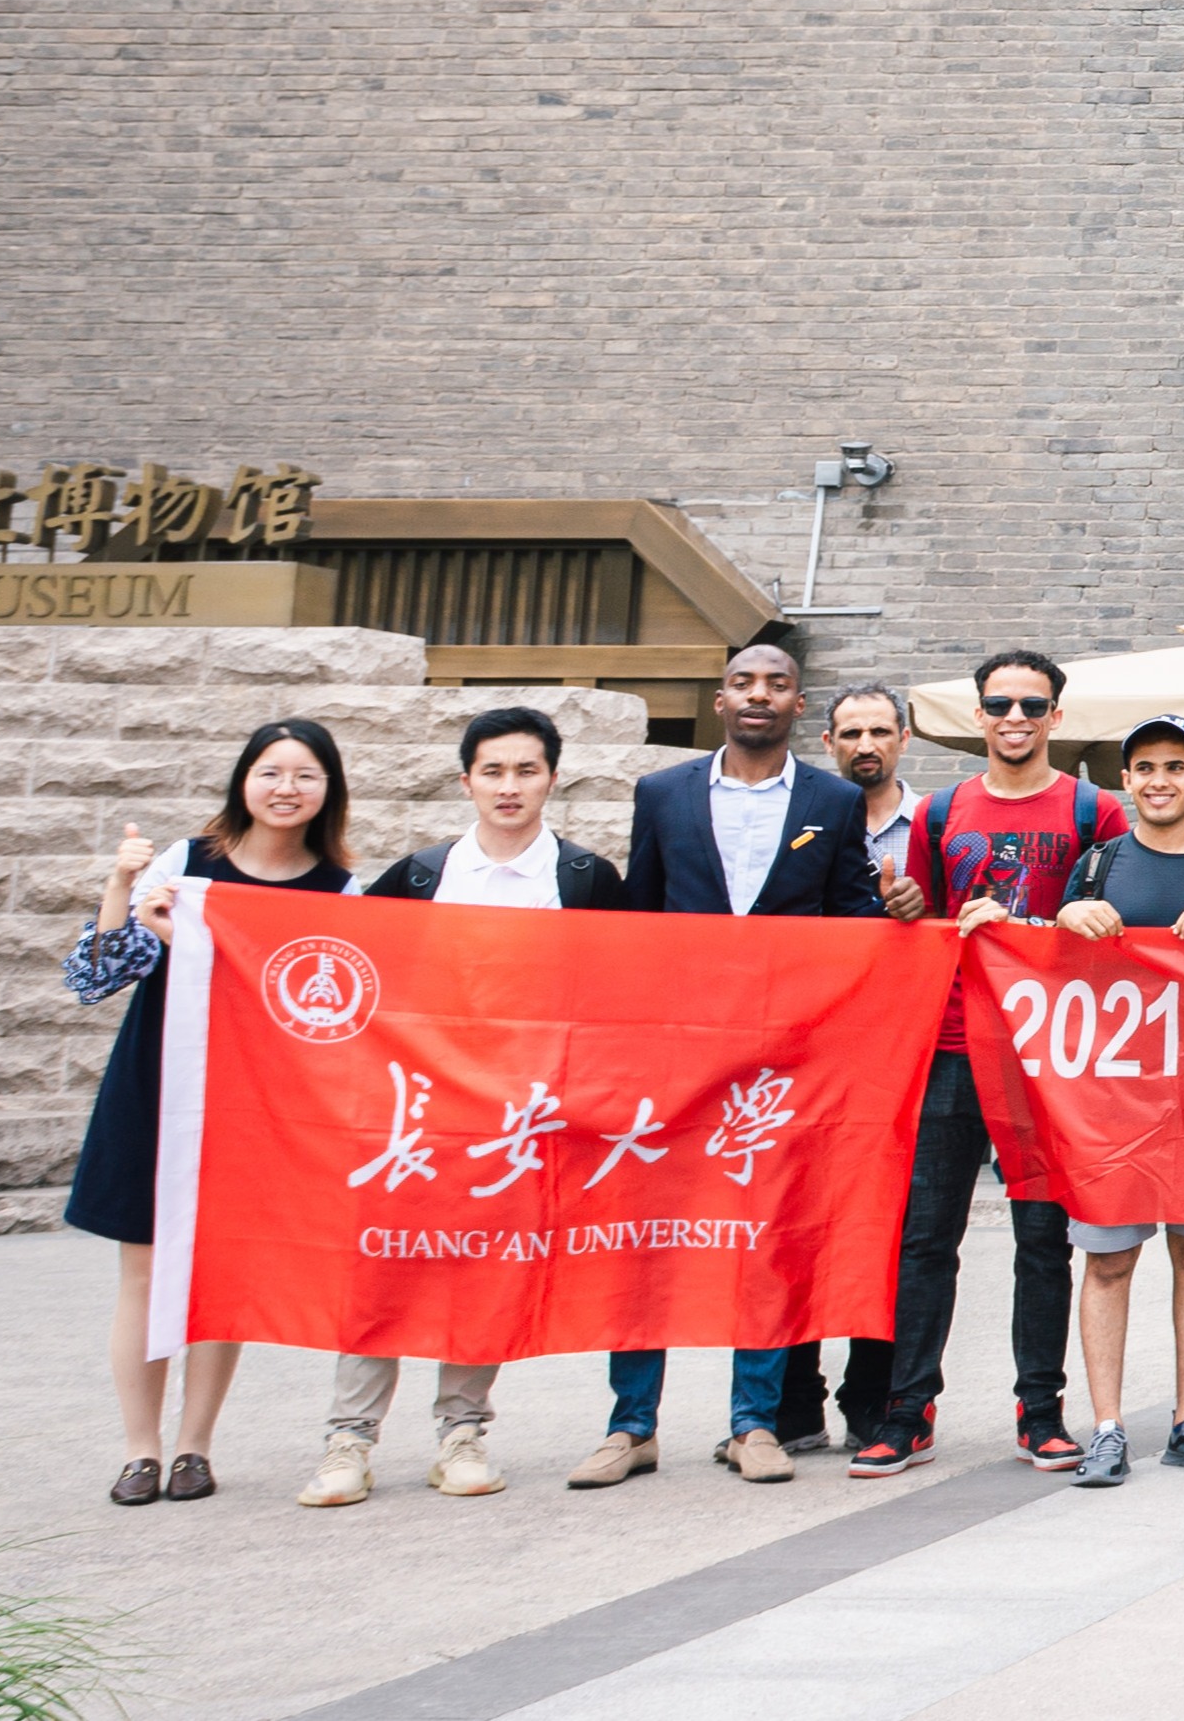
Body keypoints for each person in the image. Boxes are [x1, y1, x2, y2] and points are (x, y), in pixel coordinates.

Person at [608, 642, 891, 1490]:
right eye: (743, 683)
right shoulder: (662, 794)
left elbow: (850, 920)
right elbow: (638, 920)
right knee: (649, 1239)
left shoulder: (831, 801)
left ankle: (755, 1422)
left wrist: (894, 912)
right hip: (676, 1055)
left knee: (763, 1237)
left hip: (780, 1060)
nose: (758, 694)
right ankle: (630, 1426)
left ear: (799, 704)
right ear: (720, 699)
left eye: (776, 684)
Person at [326, 705, 626, 1503]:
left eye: (526, 770)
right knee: (383, 1269)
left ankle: (462, 1434)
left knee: (484, 1274)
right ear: (466, 782)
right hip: (417, 1113)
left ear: (552, 779)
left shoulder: (586, 880)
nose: (509, 786)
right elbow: (353, 969)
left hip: (517, 1120)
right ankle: (347, 1440)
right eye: (492, 771)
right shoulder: (421, 876)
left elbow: (623, 996)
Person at [72, 719, 355, 1508]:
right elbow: (96, 977)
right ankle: (140, 1450)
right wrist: (125, 891)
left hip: (254, 1099)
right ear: (244, 781)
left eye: (305, 775)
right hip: (156, 1083)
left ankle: (195, 1447)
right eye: (271, 772)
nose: (286, 789)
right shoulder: (186, 864)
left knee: (221, 1272)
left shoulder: (341, 892)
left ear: (328, 790)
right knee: (142, 1269)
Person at [870, 651, 1126, 1478]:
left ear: (1056, 717)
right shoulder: (940, 811)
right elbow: (917, 923)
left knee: (1043, 1240)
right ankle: (907, 1410)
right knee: (925, 1238)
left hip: (1046, 1051)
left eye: (1032, 705)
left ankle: (1039, 1411)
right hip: (951, 1043)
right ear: (978, 715)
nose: (1015, 718)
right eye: (1000, 704)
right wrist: (905, 906)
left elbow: (1116, 924)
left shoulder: (1094, 810)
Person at [1050, 715, 1184, 1486]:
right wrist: (1065, 916)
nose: (1158, 781)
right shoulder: (1098, 865)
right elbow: (1047, 965)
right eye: (1144, 767)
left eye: (1175, 767)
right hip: (1110, 1098)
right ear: (1126, 780)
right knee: (1108, 1261)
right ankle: (1107, 1428)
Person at [774, 682, 924, 1454]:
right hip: (802, 1050)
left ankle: (873, 1396)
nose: (866, 744)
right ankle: (792, 1398)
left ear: (904, 739)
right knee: (792, 1222)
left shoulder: (933, 825)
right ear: (827, 743)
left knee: (886, 1227)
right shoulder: (795, 821)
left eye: (879, 730)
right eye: (850, 732)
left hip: (898, 1054)